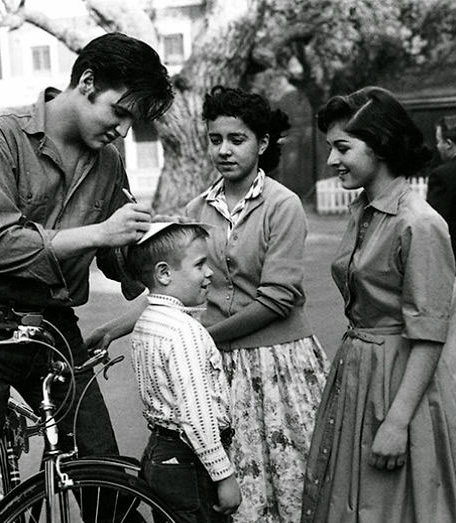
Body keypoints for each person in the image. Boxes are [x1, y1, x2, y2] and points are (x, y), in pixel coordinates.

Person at [0, 32, 173, 523]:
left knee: (105, 480)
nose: (123, 131)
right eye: (119, 113)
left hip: (55, 326)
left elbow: (111, 257)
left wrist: (155, 252)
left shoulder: (108, 160)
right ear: (86, 83)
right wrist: (100, 232)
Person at [301, 87, 456, 523]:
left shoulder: (419, 222)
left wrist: (397, 423)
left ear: (379, 146)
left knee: (398, 505)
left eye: (343, 148)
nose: (331, 161)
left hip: (401, 385)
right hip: (357, 373)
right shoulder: (363, 210)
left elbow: (431, 332)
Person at [185, 86, 329, 523]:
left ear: (262, 143)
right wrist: (117, 327)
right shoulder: (197, 208)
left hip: (277, 366)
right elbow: (179, 288)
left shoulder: (283, 205)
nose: (224, 150)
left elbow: (277, 300)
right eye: (215, 140)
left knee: (287, 488)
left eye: (237, 139)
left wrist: (202, 337)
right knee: (229, 495)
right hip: (219, 369)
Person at [126, 221, 241, 523]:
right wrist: (223, 474)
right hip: (189, 461)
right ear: (164, 274)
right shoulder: (183, 331)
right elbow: (196, 414)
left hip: (161, 455)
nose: (209, 273)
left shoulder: (147, 322)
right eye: (200, 265)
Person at [427, 115, 456, 433]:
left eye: (438, 140)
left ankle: (452, 410)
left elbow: (435, 227)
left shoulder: (444, 174)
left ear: (448, 143)